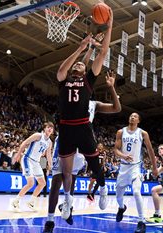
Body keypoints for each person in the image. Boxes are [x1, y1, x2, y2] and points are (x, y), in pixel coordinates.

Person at [43, 71, 121, 233]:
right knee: (57, 181)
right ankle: (50, 221)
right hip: (66, 137)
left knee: (71, 178)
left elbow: (116, 108)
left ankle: (68, 206)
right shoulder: (67, 88)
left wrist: (112, 88)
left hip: (83, 140)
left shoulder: (94, 103)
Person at [56, 7, 113, 220]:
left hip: (82, 126)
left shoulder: (88, 80)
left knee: (95, 166)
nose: (80, 64)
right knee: (66, 172)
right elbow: (62, 69)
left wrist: (110, 23)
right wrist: (81, 48)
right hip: (65, 127)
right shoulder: (63, 80)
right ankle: (68, 201)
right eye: (77, 64)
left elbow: (104, 52)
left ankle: (103, 188)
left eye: (82, 64)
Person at [114, 112, 158, 233]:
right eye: (131, 116)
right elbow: (116, 150)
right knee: (118, 196)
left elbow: (150, 151)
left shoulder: (143, 133)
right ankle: (122, 208)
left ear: (138, 121)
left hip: (136, 167)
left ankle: (141, 221)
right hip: (123, 167)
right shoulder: (120, 132)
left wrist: (154, 168)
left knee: (137, 192)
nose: (132, 117)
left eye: (135, 116)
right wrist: (123, 156)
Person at [10, 122, 54, 212]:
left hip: (36, 162)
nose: (50, 129)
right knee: (31, 183)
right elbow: (25, 143)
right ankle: (16, 201)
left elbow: (49, 155)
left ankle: (31, 202)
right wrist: (18, 155)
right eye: (48, 127)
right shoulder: (38, 135)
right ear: (44, 128)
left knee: (42, 183)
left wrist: (51, 166)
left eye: (52, 128)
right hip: (27, 159)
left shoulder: (49, 142)